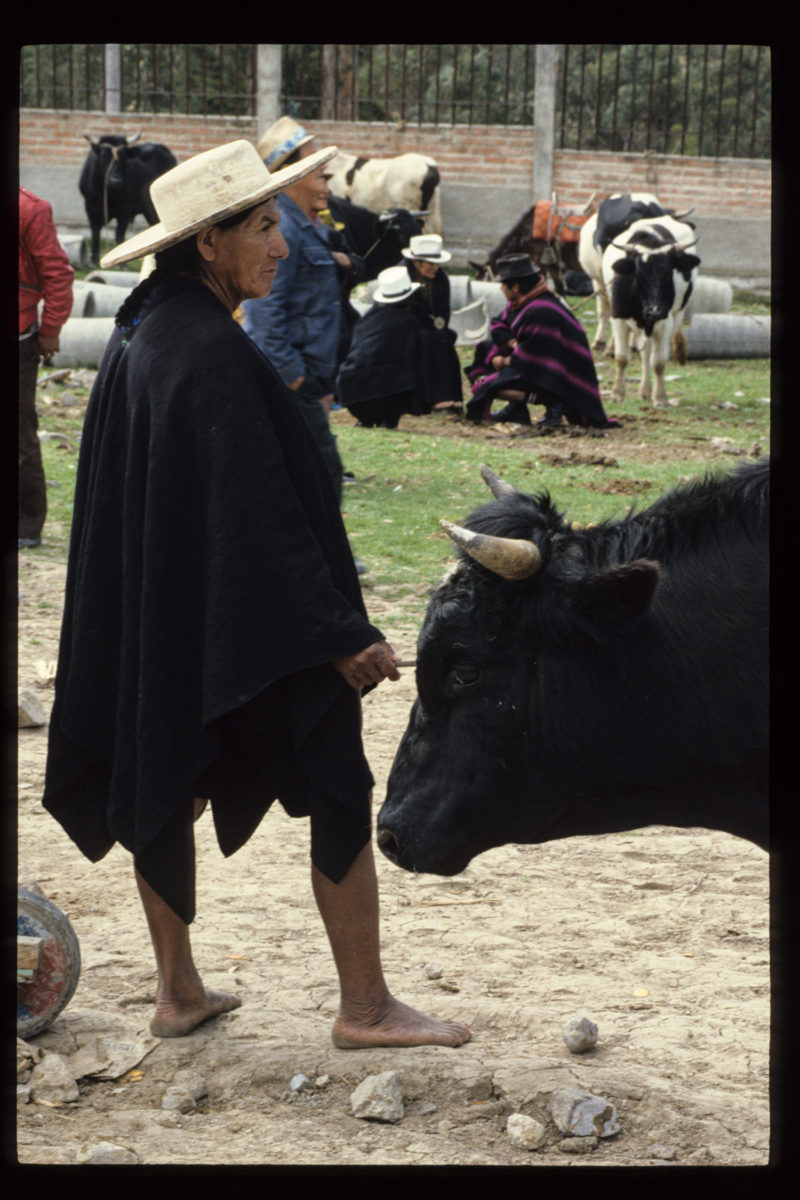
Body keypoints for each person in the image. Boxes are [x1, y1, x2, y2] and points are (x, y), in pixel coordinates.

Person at [43, 140, 471, 1052]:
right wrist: (338, 633)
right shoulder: (206, 353)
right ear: (208, 242)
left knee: (163, 775)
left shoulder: (145, 327)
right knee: (338, 779)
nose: (283, 244)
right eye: (266, 226)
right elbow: (260, 515)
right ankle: (365, 1009)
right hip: (251, 623)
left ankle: (178, 993)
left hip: (180, 618)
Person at [241, 117, 363, 506]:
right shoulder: (283, 232)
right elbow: (262, 311)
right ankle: (327, 558)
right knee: (322, 468)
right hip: (289, 379)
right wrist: (294, 376)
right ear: (291, 173)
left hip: (309, 378)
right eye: (319, 175)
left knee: (296, 471)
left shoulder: (307, 228)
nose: (326, 185)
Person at [464, 252, 618, 430]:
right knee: (485, 350)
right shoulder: (521, 303)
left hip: (560, 377)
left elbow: (532, 359)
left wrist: (503, 360)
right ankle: (516, 410)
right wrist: (512, 343)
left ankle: (554, 401)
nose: (501, 290)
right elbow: (498, 325)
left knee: (483, 384)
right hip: (537, 367)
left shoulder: (540, 311)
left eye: (503, 285)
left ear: (515, 287)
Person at [18, 186, 75, 548]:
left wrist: (51, 329)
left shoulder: (30, 210)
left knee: (19, 430)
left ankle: (25, 525)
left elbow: (57, 273)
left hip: (18, 336)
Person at [336, 265, 424, 429]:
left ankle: (366, 419)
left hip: (351, 391)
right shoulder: (407, 321)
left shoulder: (367, 319)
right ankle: (389, 419)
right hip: (387, 393)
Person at [401, 233, 464, 414]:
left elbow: (443, 313)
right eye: (430, 264)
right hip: (405, 330)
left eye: (437, 263)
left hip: (431, 329)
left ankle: (451, 398)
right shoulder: (401, 276)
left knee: (444, 339)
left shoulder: (441, 279)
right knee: (429, 341)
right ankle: (434, 400)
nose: (435, 268)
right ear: (415, 262)